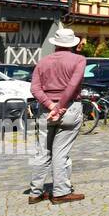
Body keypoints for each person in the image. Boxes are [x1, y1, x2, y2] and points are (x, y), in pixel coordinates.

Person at [28, 28, 87, 204]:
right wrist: (59, 106)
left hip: (45, 111)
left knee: (42, 152)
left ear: (55, 43)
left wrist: (50, 106)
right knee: (60, 152)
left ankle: (35, 193)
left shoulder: (43, 62)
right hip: (69, 109)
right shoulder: (79, 60)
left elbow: (34, 89)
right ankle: (60, 192)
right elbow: (72, 86)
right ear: (72, 44)